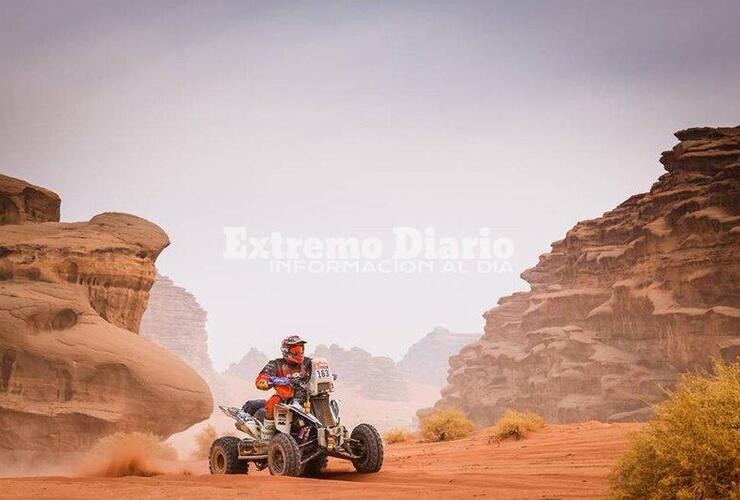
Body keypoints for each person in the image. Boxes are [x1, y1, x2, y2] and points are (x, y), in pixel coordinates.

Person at [255, 335, 311, 439]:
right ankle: (266, 438)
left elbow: (318, 368)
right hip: (285, 398)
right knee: (273, 403)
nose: (299, 353)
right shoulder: (276, 364)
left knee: (330, 402)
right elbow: (264, 375)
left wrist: (327, 373)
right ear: (286, 351)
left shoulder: (308, 363)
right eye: (296, 350)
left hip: (308, 396)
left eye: (301, 349)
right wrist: (264, 381)